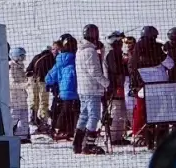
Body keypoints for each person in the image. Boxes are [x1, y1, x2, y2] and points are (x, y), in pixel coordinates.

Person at [76, 24, 107, 154]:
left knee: (84, 115)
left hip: (83, 88)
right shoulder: (90, 51)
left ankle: (77, 143)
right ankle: (89, 145)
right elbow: (94, 71)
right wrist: (106, 83)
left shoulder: (80, 50)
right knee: (94, 116)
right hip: (92, 88)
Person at [45, 34, 80, 142]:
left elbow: (49, 78)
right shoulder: (77, 58)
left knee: (65, 110)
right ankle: (74, 131)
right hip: (77, 90)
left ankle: (60, 130)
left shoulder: (59, 61)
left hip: (64, 92)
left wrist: (53, 83)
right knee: (76, 111)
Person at [25, 39, 58, 134]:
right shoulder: (52, 58)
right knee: (44, 102)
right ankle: (44, 121)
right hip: (44, 82)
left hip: (33, 81)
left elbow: (28, 70)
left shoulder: (36, 57)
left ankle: (33, 118)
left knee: (34, 100)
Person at [104, 30, 131, 146]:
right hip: (114, 86)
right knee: (116, 111)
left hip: (118, 85)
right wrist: (125, 64)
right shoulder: (111, 53)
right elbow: (116, 69)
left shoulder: (115, 52)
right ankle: (113, 137)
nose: (122, 44)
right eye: (120, 41)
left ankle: (118, 136)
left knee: (121, 112)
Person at [7, 46, 30, 142]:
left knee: (24, 117)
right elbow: (11, 84)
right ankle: (6, 133)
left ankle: (22, 136)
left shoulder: (20, 67)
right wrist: (25, 85)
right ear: (16, 56)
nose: (23, 58)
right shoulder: (11, 67)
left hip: (22, 96)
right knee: (14, 117)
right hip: (14, 97)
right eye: (21, 56)